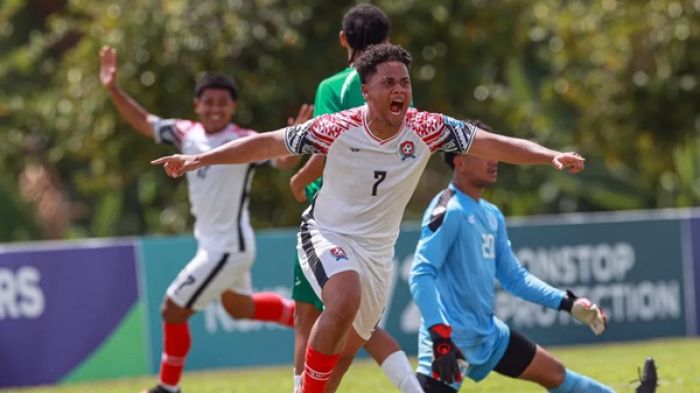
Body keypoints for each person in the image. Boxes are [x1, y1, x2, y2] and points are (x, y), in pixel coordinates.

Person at [151, 43, 586, 393]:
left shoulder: (428, 127)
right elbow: (265, 144)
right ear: (366, 90)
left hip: (378, 254)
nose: (400, 89)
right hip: (325, 232)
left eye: (405, 82)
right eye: (389, 82)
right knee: (342, 297)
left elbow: (494, 143)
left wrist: (550, 156)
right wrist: (198, 159)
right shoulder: (336, 127)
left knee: (343, 357)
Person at [99, 46, 311, 393]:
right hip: (217, 244)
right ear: (197, 105)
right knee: (239, 308)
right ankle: (303, 316)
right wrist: (113, 89)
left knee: (173, 308)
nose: (215, 108)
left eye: (222, 102)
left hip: (228, 248)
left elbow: (281, 161)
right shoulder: (186, 134)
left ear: (233, 107)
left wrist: (293, 143)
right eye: (208, 101)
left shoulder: (243, 140)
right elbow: (144, 122)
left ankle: (168, 388)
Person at [408, 127, 615, 393]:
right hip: (451, 343)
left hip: (489, 336)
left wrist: (568, 303)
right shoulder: (449, 209)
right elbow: (421, 274)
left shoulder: (492, 215)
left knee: (555, 373)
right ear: (460, 160)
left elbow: (515, 278)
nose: (494, 159)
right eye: (485, 152)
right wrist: (440, 337)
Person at [288, 4, 422, 393]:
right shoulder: (398, 87)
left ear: (343, 39)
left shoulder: (335, 86)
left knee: (310, 318)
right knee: (358, 324)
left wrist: (297, 180)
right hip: (377, 218)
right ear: (388, 40)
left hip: (331, 217)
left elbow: (327, 147)